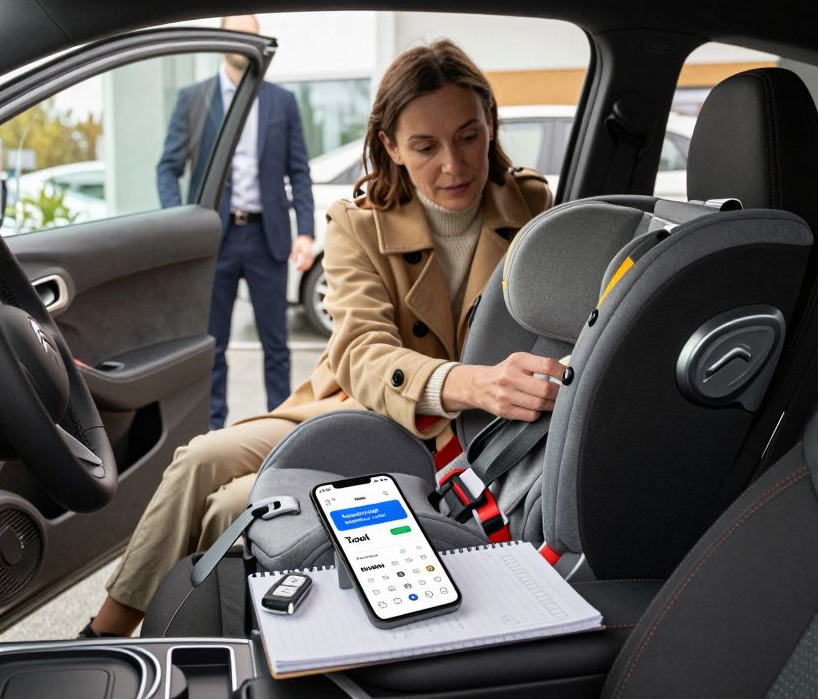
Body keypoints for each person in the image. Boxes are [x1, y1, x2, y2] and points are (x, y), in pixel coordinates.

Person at [85, 39, 563, 637]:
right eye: (425, 146)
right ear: (389, 146)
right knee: (198, 460)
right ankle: (106, 636)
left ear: (489, 123)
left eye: (469, 136)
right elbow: (362, 352)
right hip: (356, 403)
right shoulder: (355, 222)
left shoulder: (537, 208)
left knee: (238, 506)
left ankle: (204, 642)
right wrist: (470, 383)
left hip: (461, 443)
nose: (454, 165)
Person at [157, 14, 315, 429]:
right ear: (221, 40)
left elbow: (298, 171)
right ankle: (213, 432)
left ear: (259, 42)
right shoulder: (194, 99)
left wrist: (306, 231)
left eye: (251, 35)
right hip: (214, 241)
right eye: (236, 34)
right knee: (213, 347)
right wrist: (180, 227)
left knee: (276, 345)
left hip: (268, 238)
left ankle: (279, 431)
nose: (243, 41)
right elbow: (167, 168)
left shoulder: (281, 101)